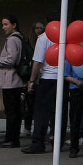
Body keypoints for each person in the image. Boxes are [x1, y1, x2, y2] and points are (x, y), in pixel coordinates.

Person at [0, 15, 28, 147]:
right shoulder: (20, 38)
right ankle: (13, 138)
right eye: (3, 24)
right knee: (15, 110)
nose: (3, 27)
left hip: (10, 80)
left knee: (11, 111)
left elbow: (11, 60)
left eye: (6, 24)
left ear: (14, 25)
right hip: (17, 80)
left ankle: (10, 139)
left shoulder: (12, 40)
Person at [22, 26, 61, 155]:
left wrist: (32, 80)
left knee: (41, 112)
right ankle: (57, 141)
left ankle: (38, 142)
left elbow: (37, 61)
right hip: (62, 77)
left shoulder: (44, 38)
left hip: (47, 78)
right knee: (58, 111)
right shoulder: (65, 36)